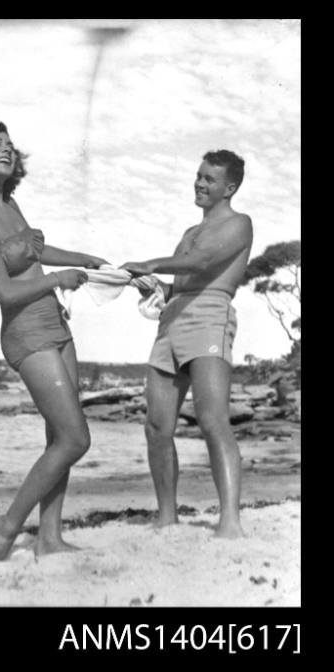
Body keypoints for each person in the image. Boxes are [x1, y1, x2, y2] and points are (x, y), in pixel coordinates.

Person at [0, 119, 108, 560]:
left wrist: (85, 261)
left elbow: (35, 252)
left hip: (55, 322)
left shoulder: (9, 203)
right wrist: (60, 277)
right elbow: (5, 290)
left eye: (10, 143)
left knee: (59, 435)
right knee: (76, 440)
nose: (7, 148)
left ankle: (49, 539)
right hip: (26, 331)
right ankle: (8, 525)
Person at [121, 150, 253, 538]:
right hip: (172, 318)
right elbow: (182, 279)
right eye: (198, 176)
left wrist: (151, 264)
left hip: (211, 314)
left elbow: (201, 263)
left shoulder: (239, 224)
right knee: (156, 426)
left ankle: (230, 521)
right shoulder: (188, 233)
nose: (200, 183)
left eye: (210, 179)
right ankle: (167, 517)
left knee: (213, 421)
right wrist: (153, 285)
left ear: (229, 187)